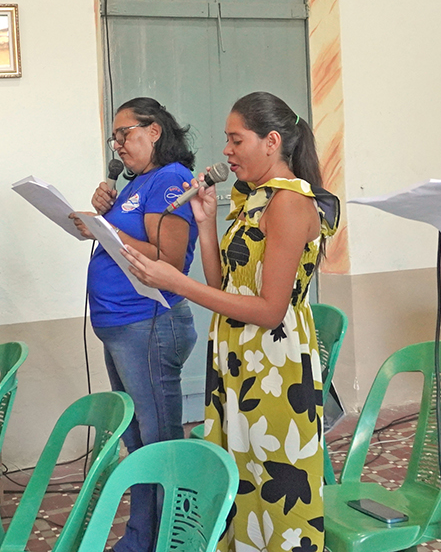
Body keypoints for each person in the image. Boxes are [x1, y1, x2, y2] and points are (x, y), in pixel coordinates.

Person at [124, 91, 339, 552]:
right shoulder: (254, 199)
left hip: (275, 369)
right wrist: (205, 224)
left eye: (236, 140)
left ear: (271, 141)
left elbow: (270, 310)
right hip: (240, 361)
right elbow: (224, 286)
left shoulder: (288, 202)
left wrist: (175, 282)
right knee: (238, 483)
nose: (226, 150)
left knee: (275, 492)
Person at [67, 97, 199, 552]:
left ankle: (170, 539)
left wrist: (106, 229)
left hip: (150, 324)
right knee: (139, 439)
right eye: (115, 138)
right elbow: (125, 240)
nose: (119, 144)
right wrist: (101, 215)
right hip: (123, 327)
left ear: (154, 131)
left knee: (159, 440)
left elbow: (169, 260)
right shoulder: (136, 182)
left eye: (125, 134)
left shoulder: (171, 180)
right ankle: (143, 535)